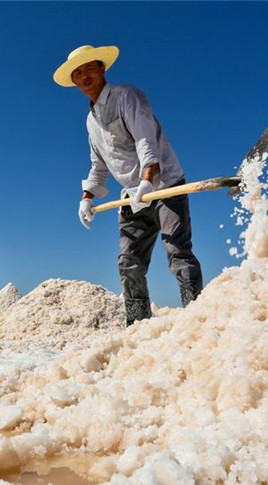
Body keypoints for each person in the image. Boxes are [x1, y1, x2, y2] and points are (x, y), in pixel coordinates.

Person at [53, 44, 203, 326]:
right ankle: (138, 325)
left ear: (102, 68)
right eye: (77, 73)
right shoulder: (90, 121)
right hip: (132, 197)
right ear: (73, 81)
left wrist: (148, 180)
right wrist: (87, 196)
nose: (84, 76)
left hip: (164, 185)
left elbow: (146, 141)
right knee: (128, 262)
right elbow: (98, 164)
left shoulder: (127, 97)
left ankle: (199, 319)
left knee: (178, 252)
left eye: (89, 68)